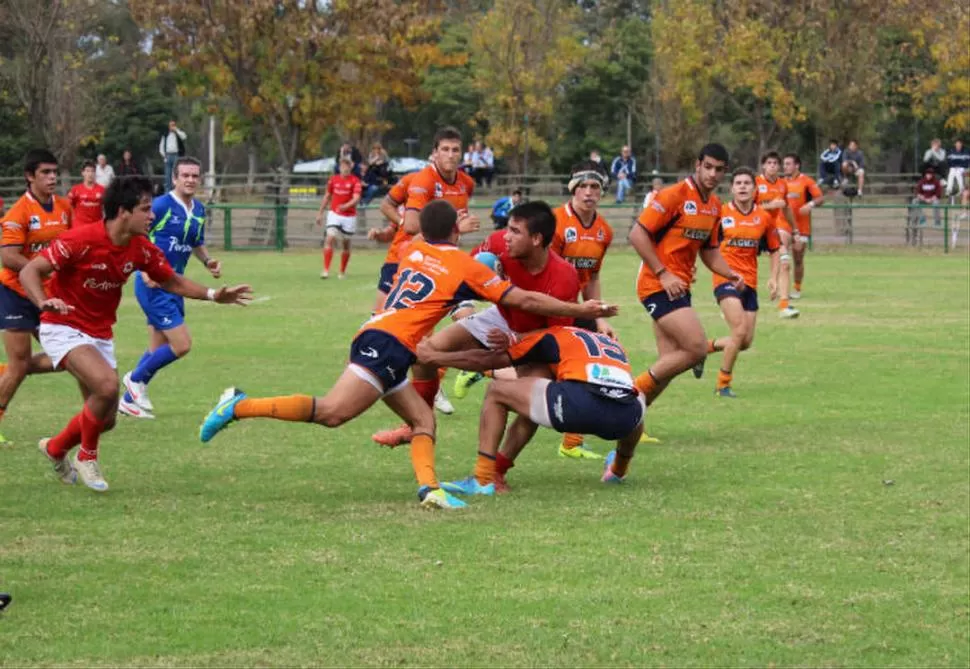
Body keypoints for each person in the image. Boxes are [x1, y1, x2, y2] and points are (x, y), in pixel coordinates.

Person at [197, 200, 615, 509]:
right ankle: (239, 405)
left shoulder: (412, 250)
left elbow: (416, 234)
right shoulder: (465, 265)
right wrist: (582, 311)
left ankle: (429, 490)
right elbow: (521, 297)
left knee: (422, 419)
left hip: (383, 334)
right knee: (333, 413)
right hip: (390, 343)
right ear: (456, 231)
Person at [24, 175, 251, 492]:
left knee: (107, 419)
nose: (152, 215)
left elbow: (173, 281)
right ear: (122, 212)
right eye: (145, 209)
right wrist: (42, 301)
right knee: (106, 386)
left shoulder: (141, 249)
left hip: (99, 333)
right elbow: (29, 270)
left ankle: (56, 448)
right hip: (62, 325)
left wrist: (214, 295)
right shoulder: (79, 240)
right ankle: (87, 456)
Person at [377, 201, 583, 449]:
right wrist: (462, 304)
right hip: (501, 316)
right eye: (507, 229)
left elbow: (557, 334)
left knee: (531, 403)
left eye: (515, 232)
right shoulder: (497, 244)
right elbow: (462, 270)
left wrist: (517, 341)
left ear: (537, 239)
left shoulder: (565, 277)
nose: (506, 237)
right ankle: (417, 425)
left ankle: (495, 471)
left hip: (536, 335)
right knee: (425, 355)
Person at [416, 325, 645, 496]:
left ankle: (483, 478)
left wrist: (436, 357)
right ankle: (617, 470)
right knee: (635, 399)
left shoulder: (552, 334)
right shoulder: (608, 341)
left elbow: (487, 360)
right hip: (627, 417)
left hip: (579, 404)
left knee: (497, 391)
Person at [629, 143, 743, 412]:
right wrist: (663, 273)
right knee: (695, 349)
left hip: (679, 287)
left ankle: (633, 421)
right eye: (708, 167)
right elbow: (637, 234)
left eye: (718, 170)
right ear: (697, 165)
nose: (712, 174)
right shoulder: (674, 195)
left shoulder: (715, 207)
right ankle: (628, 395)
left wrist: (729, 273)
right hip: (656, 283)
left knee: (668, 362)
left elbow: (710, 250)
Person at [119, 158, 221, 419]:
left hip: (176, 285)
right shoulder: (161, 205)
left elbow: (195, 241)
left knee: (157, 348)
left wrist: (208, 261)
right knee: (182, 344)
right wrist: (143, 269)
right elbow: (136, 233)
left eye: (195, 176)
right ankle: (135, 378)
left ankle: (129, 400)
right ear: (174, 178)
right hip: (154, 284)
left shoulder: (198, 209)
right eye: (185, 175)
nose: (190, 180)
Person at [0, 149, 72, 444]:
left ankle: (12, 370)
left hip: (48, 295)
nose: (52, 177)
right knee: (19, 364)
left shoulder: (65, 208)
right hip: (15, 293)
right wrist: (41, 267)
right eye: (45, 172)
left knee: (69, 356)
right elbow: (7, 256)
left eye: (54, 172)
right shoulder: (18, 212)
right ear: (30, 177)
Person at [549, 161, 615, 459]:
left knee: (591, 364)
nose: (589, 193)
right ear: (572, 189)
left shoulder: (603, 231)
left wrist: (598, 317)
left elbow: (593, 277)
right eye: (584, 186)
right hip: (548, 305)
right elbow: (545, 273)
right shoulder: (556, 223)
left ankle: (572, 441)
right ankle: (487, 368)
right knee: (543, 371)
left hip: (576, 308)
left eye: (595, 187)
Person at [706, 168, 781, 397]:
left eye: (747, 183)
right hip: (725, 279)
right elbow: (703, 246)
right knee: (738, 331)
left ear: (754, 188)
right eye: (738, 183)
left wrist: (773, 278)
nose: (742, 186)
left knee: (745, 341)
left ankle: (704, 348)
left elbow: (775, 249)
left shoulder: (764, 217)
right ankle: (723, 384)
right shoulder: (720, 213)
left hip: (750, 283)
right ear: (732, 189)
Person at [756, 152, 799, 318]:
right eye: (769, 163)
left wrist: (795, 229)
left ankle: (784, 305)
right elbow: (747, 207)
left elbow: (786, 208)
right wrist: (772, 205)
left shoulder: (782, 184)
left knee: (785, 262)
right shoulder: (755, 182)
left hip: (771, 230)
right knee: (742, 266)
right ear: (763, 166)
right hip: (752, 229)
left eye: (775, 163)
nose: (772, 166)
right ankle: (734, 305)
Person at [783, 153, 824, 299]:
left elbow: (820, 198)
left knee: (798, 257)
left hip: (802, 227)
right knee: (781, 257)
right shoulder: (781, 182)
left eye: (788, 163)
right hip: (784, 226)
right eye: (784, 164)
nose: (785, 166)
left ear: (797, 165)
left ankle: (797, 288)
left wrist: (810, 204)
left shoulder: (806, 181)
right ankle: (780, 288)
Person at [315, 157, 362, 279]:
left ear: (350, 167)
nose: (344, 168)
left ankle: (342, 271)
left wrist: (346, 206)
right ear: (339, 167)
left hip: (349, 216)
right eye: (342, 165)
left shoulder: (355, 181)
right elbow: (327, 196)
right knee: (329, 239)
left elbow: (356, 198)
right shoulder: (333, 180)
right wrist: (320, 213)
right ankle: (326, 270)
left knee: (345, 244)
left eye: (347, 165)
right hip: (334, 214)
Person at [68, 160, 106, 227]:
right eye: (87, 171)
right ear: (83, 173)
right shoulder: (75, 189)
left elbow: (105, 206)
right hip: (80, 226)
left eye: (92, 171)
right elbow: (69, 206)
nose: (90, 174)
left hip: (96, 225)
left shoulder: (102, 189)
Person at [159, 119, 187, 189]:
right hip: (168, 156)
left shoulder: (178, 134)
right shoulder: (165, 135)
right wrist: (164, 156)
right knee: (167, 177)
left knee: (175, 175)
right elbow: (161, 147)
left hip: (176, 155)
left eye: (173, 125)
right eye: (171, 125)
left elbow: (184, 137)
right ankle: (167, 194)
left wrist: (176, 130)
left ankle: (176, 192)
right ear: (168, 126)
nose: (172, 127)